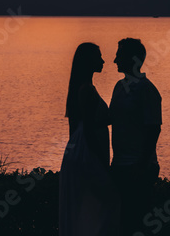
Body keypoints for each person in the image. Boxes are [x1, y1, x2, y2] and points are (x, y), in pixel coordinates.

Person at [59, 42, 119, 236]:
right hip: (88, 151)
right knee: (103, 202)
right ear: (88, 61)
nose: (103, 61)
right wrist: (103, 162)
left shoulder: (85, 87)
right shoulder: (86, 90)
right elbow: (90, 130)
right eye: (98, 57)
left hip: (82, 149)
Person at [109, 38, 162, 236]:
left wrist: (141, 166)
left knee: (136, 223)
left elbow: (154, 129)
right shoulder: (118, 87)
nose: (115, 60)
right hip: (120, 165)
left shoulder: (146, 90)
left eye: (119, 55)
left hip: (138, 168)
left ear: (132, 59)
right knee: (121, 222)